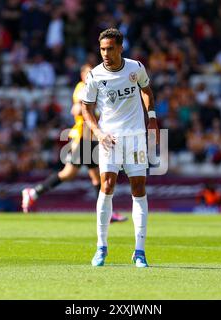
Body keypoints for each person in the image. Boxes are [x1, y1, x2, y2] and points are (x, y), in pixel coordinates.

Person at [81, 28, 159, 267]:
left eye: (110, 48)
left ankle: (139, 251)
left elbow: (146, 90)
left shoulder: (135, 68)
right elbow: (86, 107)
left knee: (138, 188)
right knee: (107, 185)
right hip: (109, 139)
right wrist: (98, 132)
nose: (105, 53)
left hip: (135, 137)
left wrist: (153, 118)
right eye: (102, 49)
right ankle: (101, 247)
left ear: (120, 48)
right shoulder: (94, 76)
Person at [21, 64, 127, 223]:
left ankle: (34, 193)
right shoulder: (82, 88)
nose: (92, 75)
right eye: (88, 73)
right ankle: (106, 213)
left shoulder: (99, 89)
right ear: (83, 75)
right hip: (83, 138)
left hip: (90, 139)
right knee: (86, 176)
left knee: (85, 176)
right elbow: (76, 109)